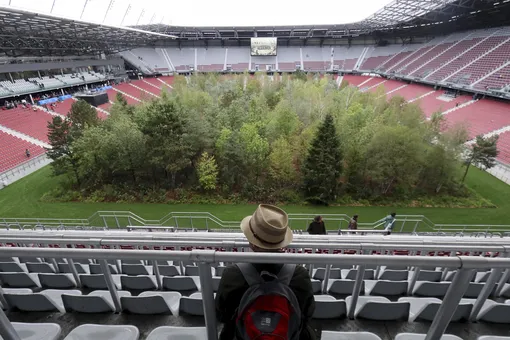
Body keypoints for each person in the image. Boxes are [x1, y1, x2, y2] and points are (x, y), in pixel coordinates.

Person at [216, 204, 316, 340]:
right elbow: (306, 315)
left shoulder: (232, 274)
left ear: (252, 242)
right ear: (282, 243)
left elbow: (221, 315)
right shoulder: (300, 274)